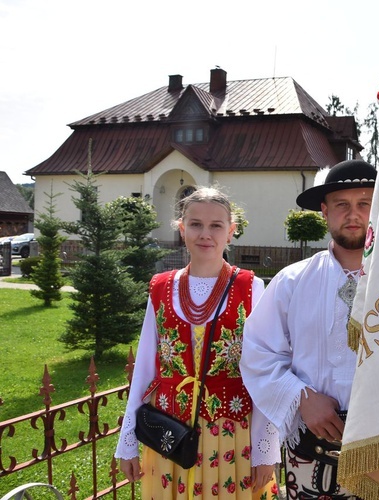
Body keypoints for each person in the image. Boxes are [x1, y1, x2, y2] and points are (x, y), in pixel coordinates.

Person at [115, 186, 280, 499]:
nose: (206, 233)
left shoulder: (250, 287)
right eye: (195, 224)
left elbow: (265, 372)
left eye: (216, 225)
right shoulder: (161, 288)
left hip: (232, 433)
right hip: (170, 434)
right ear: (181, 228)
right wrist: (127, 442)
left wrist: (265, 451)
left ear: (231, 231)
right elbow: (145, 368)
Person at [240, 159, 376, 499]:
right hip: (311, 453)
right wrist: (301, 397)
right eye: (342, 205)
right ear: (325, 211)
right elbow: (258, 352)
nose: (353, 214)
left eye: (364, 204)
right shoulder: (292, 281)